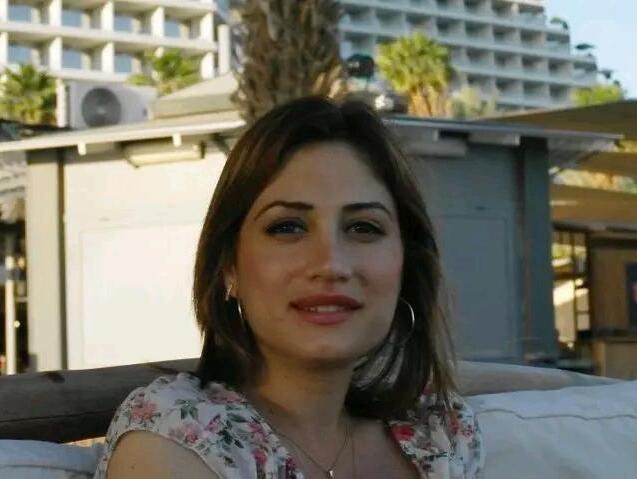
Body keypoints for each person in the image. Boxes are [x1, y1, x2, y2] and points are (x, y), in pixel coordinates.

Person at [94, 96, 484, 479]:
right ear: (229, 267)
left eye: (363, 227)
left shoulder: (439, 436)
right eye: (287, 227)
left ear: (406, 263)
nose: (331, 264)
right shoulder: (177, 439)